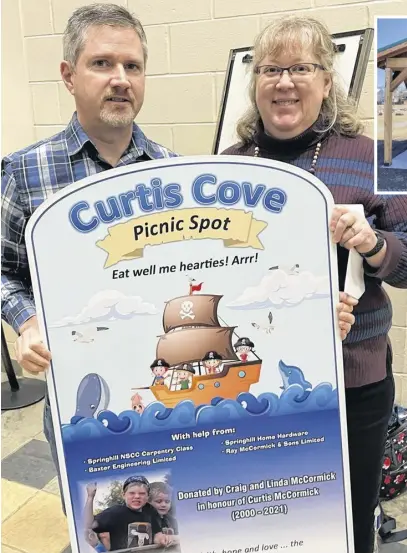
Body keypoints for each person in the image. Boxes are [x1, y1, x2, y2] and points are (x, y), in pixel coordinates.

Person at [221, 16, 407, 553]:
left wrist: (374, 245)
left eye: (301, 68)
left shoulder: (377, 156)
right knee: (268, 522)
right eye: (271, 69)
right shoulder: (228, 166)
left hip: (354, 382)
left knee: (347, 522)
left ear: (327, 80)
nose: (284, 82)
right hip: (258, 393)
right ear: (254, 84)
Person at [1, 3, 176, 515]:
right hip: (80, 395)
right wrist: (26, 320)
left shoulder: (170, 170)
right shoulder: (24, 172)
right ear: (68, 76)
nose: (121, 79)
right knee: (97, 521)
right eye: (102, 64)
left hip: (156, 396)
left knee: (166, 515)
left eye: (133, 66)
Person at [84, 477, 171, 550]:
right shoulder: (114, 513)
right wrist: (90, 497)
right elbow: (89, 525)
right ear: (123, 495)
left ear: (147, 496)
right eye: (132, 493)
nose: (137, 496)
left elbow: (156, 534)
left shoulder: (151, 511)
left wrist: (161, 538)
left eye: (142, 493)